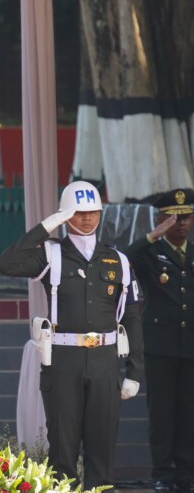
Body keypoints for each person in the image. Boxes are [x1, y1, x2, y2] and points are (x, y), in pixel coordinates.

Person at [0, 180, 143, 490]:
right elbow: (6, 264)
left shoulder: (118, 260)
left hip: (104, 361)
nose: (86, 218)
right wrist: (46, 226)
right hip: (64, 360)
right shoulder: (51, 254)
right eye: (78, 212)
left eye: (92, 212)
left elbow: (131, 317)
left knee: (102, 449)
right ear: (65, 215)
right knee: (63, 450)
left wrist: (134, 370)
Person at [126, 188, 194, 493]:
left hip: (191, 345)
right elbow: (124, 259)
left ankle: (187, 475)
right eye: (173, 218)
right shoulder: (150, 253)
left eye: (186, 217)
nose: (180, 223)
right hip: (160, 347)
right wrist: (153, 235)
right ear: (161, 219)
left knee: (189, 413)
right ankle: (163, 474)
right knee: (163, 415)